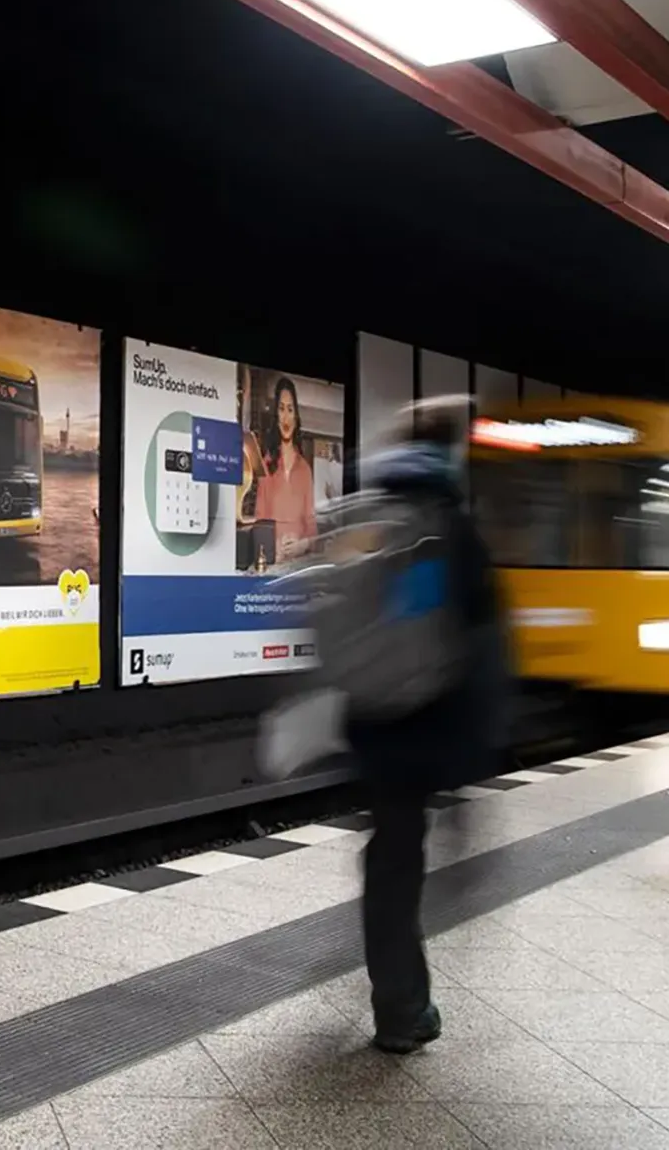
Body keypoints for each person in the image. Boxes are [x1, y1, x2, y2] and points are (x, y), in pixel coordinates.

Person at [349, 396, 512, 1054]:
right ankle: (403, 1010)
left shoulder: (368, 517)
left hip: (372, 724)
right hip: (429, 726)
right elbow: (484, 646)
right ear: (451, 452)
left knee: (389, 859)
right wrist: (477, 746)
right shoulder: (453, 529)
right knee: (400, 862)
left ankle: (399, 1000)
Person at [252, 376, 317, 561]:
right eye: (281, 409)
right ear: (276, 415)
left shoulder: (305, 470)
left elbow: (311, 526)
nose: (286, 417)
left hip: (299, 565)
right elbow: (259, 521)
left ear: (296, 416)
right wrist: (274, 549)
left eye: (290, 409)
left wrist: (302, 545)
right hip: (273, 563)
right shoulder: (266, 465)